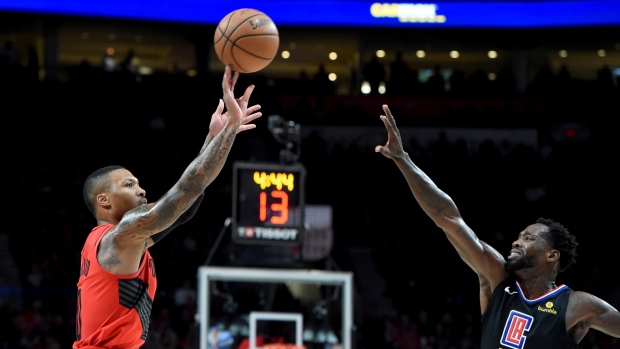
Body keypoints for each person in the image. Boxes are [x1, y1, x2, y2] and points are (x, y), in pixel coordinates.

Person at [374, 104, 620, 348]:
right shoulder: (497, 278)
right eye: (519, 236)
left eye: (529, 239)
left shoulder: (578, 305)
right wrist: (403, 160)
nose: (516, 241)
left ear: (552, 254)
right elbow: (447, 217)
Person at [74, 65, 262, 349]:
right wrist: (229, 131)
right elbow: (186, 190)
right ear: (104, 200)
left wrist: (216, 138)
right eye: (128, 184)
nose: (141, 189)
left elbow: (185, 208)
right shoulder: (121, 235)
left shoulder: (123, 242)